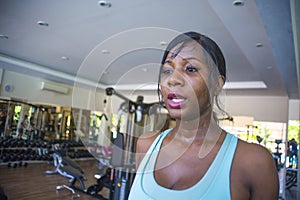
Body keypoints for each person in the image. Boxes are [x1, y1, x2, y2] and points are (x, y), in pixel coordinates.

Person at [128, 32, 279, 199]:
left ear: (217, 84)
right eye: (167, 70)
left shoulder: (254, 162)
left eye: (190, 69)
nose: (172, 80)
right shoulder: (145, 145)